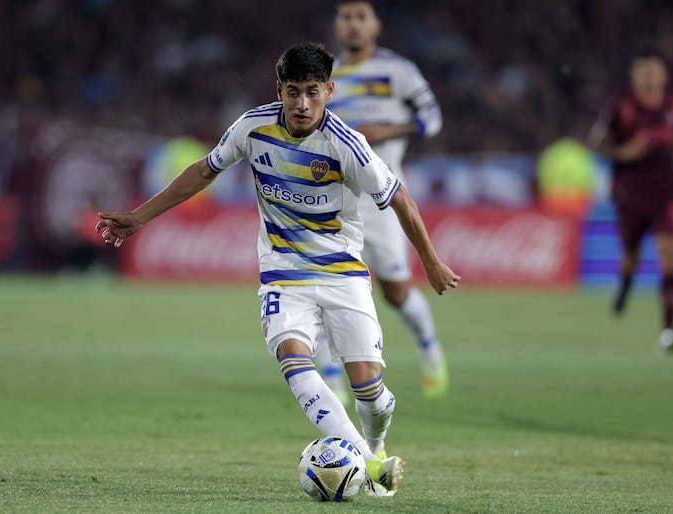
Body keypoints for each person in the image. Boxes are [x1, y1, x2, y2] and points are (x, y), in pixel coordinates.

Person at [96, 43, 460, 496]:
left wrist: (430, 261)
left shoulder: (348, 145)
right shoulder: (253, 128)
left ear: (328, 91)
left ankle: (376, 446)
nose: (302, 103)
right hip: (283, 274)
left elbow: (400, 198)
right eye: (293, 92)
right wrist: (139, 217)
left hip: (343, 274)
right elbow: (205, 171)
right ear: (279, 90)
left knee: (371, 392)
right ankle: (369, 466)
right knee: (294, 358)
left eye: (312, 92)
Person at [316, 0, 448, 404]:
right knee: (324, 289)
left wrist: (388, 130)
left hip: (382, 196)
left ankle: (430, 348)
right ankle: (332, 384)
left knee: (395, 292)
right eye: (346, 18)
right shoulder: (325, 75)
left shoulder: (399, 71)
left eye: (362, 17)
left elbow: (433, 117)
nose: (354, 25)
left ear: (376, 25)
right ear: (337, 27)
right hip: (332, 198)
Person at [590, 48, 673, 353]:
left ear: (664, 75)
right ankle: (625, 283)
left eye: (654, 70)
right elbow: (596, 143)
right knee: (631, 255)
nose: (650, 76)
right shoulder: (620, 107)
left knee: (668, 257)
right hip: (631, 196)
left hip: (666, 194)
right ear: (634, 76)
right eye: (644, 70)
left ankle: (668, 330)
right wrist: (623, 153)